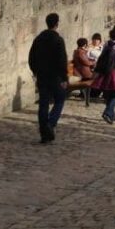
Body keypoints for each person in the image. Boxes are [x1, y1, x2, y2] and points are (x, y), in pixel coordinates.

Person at [28, 12, 68, 144]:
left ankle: (44, 131)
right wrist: (64, 78)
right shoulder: (58, 40)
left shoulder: (39, 39)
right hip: (55, 76)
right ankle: (50, 124)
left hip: (42, 76)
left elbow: (31, 58)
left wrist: (36, 71)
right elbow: (62, 61)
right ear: (56, 24)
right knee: (60, 100)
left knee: (43, 104)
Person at [90, 24, 115, 125]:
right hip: (114, 72)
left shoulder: (107, 43)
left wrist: (96, 71)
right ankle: (108, 112)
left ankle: (112, 114)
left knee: (108, 93)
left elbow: (101, 57)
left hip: (105, 71)